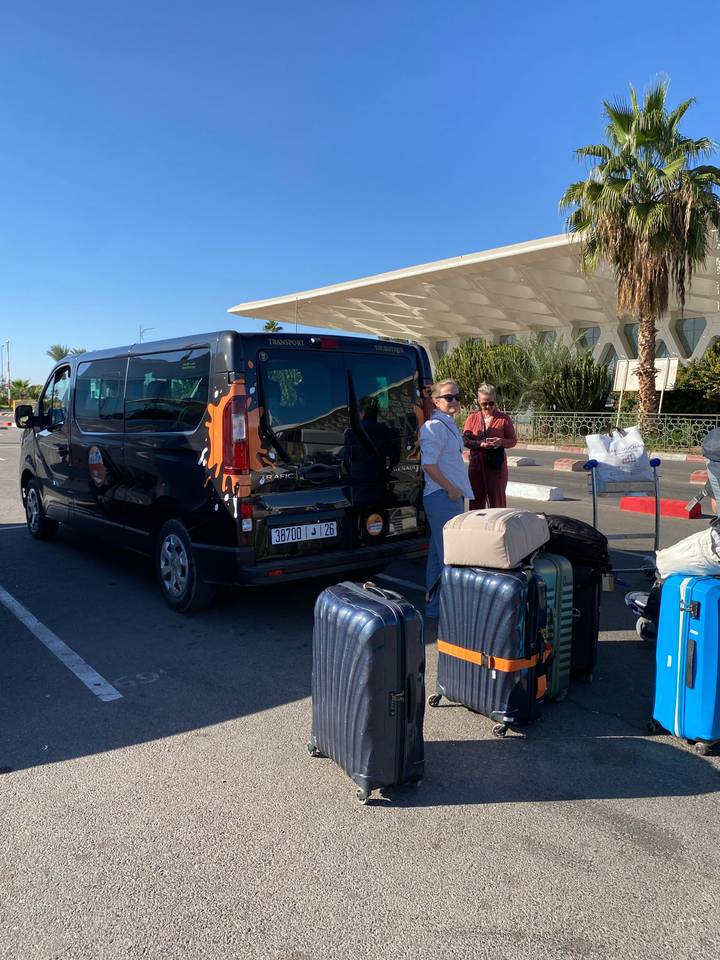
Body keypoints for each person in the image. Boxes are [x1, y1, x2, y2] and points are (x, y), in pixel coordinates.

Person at [419, 380, 473, 619]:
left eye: (457, 397)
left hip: (449, 496)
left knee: (436, 557)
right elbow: (428, 465)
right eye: (449, 397)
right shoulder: (433, 427)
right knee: (450, 557)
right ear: (436, 401)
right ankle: (454, 615)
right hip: (441, 497)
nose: (455, 401)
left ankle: (434, 609)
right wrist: (451, 489)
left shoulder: (447, 424)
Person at [462, 383, 517, 509]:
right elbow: (465, 440)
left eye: (491, 403)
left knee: (497, 502)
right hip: (476, 466)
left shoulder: (504, 419)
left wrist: (500, 441)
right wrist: (480, 444)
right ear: (479, 402)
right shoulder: (472, 418)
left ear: (495, 401)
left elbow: (513, 441)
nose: (487, 406)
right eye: (484, 403)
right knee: (476, 502)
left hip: (496, 466)